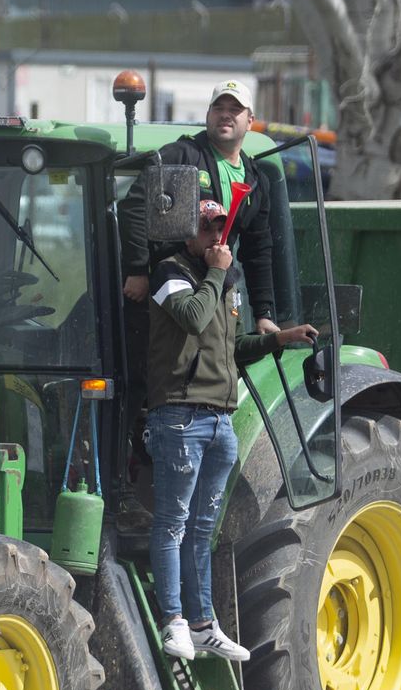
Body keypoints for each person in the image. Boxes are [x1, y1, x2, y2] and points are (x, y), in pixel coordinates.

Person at [146, 199, 317, 662]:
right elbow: (192, 318)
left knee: (203, 529)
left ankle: (203, 625)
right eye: (207, 229)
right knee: (173, 524)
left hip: (220, 418)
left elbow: (232, 346)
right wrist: (219, 273)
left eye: (222, 229)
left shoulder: (225, 279)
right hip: (180, 414)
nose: (216, 238)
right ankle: (174, 621)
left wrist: (278, 339)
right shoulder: (170, 272)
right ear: (189, 233)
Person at [116, 79, 280, 533]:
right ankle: (122, 486)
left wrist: (264, 312)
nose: (225, 115)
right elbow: (133, 207)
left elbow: (261, 249)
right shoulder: (182, 157)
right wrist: (138, 269)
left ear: (249, 120)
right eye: (218, 107)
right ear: (208, 115)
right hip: (167, 291)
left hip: (215, 294)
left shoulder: (254, 179)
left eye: (235, 109)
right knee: (130, 380)